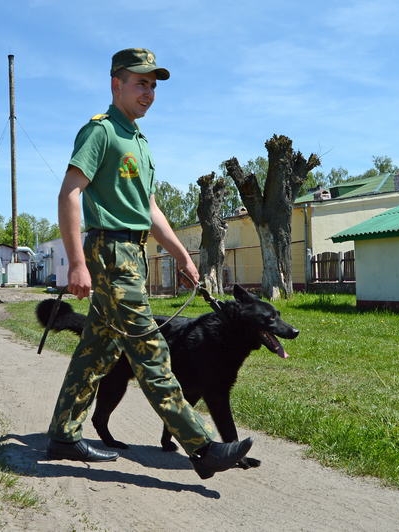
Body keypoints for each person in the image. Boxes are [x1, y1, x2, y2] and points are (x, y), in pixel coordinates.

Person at [45, 48, 253, 479]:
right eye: (141, 82)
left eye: (154, 85)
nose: (149, 92)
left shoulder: (139, 142)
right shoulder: (100, 133)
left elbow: (151, 210)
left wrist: (182, 256)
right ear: (116, 84)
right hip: (110, 253)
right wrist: (77, 264)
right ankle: (202, 448)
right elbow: (69, 193)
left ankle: (64, 435)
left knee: (96, 350)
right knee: (152, 350)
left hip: (133, 253)